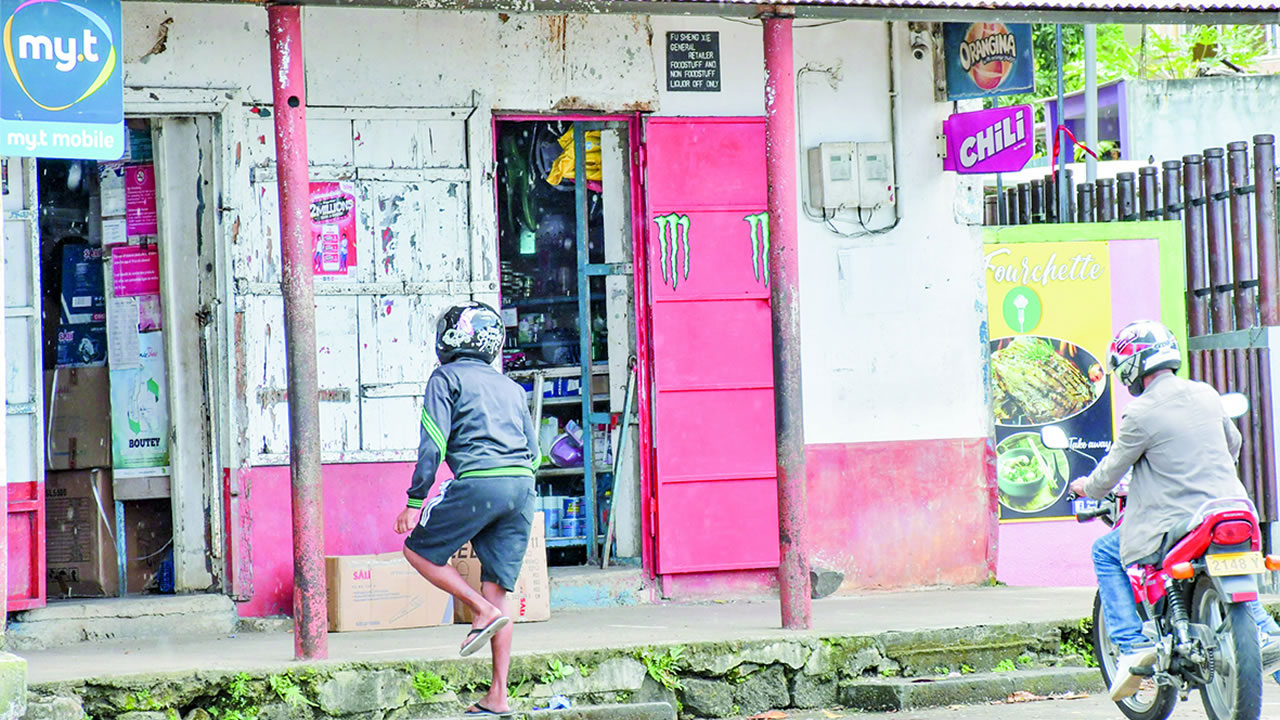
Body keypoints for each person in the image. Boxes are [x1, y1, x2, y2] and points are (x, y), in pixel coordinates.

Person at [1070, 320, 1280, 702]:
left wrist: (1085, 486)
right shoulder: (1205, 393)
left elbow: (1108, 475)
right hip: (1231, 508)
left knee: (1105, 550)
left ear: (1131, 367)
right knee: (1230, 564)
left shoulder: (1141, 413)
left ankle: (1132, 644)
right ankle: (1263, 629)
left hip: (1174, 521)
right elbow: (1232, 445)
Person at [395, 301, 540, 717]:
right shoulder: (511, 388)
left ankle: (480, 610)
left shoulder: (445, 378)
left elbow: (433, 444)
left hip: (480, 480)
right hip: (522, 487)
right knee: (498, 587)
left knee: (417, 551)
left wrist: (414, 500)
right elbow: (536, 454)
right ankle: (499, 696)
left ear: (449, 338)